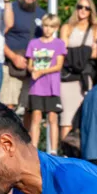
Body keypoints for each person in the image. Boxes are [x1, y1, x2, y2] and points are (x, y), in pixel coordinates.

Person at [59, 0, 97, 142]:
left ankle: (79, 153)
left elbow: (96, 54)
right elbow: (62, 52)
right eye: (80, 7)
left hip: (85, 78)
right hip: (68, 77)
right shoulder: (67, 27)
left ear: (91, 11)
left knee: (84, 118)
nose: (83, 10)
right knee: (66, 119)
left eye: (87, 8)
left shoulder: (95, 29)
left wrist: (74, 51)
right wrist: (86, 50)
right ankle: (64, 153)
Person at [0, 0, 45, 112]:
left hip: (32, 69)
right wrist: (13, 57)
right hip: (10, 66)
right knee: (7, 108)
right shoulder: (10, 10)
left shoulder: (42, 14)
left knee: (29, 109)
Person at [25, 13, 66, 154]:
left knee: (52, 117)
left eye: (51, 26)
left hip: (52, 87)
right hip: (36, 87)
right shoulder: (34, 43)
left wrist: (41, 72)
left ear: (56, 28)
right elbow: (29, 64)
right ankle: (34, 148)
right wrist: (33, 70)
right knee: (35, 117)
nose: (48, 29)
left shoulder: (59, 44)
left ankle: (53, 150)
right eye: (45, 26)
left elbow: (58, 65)